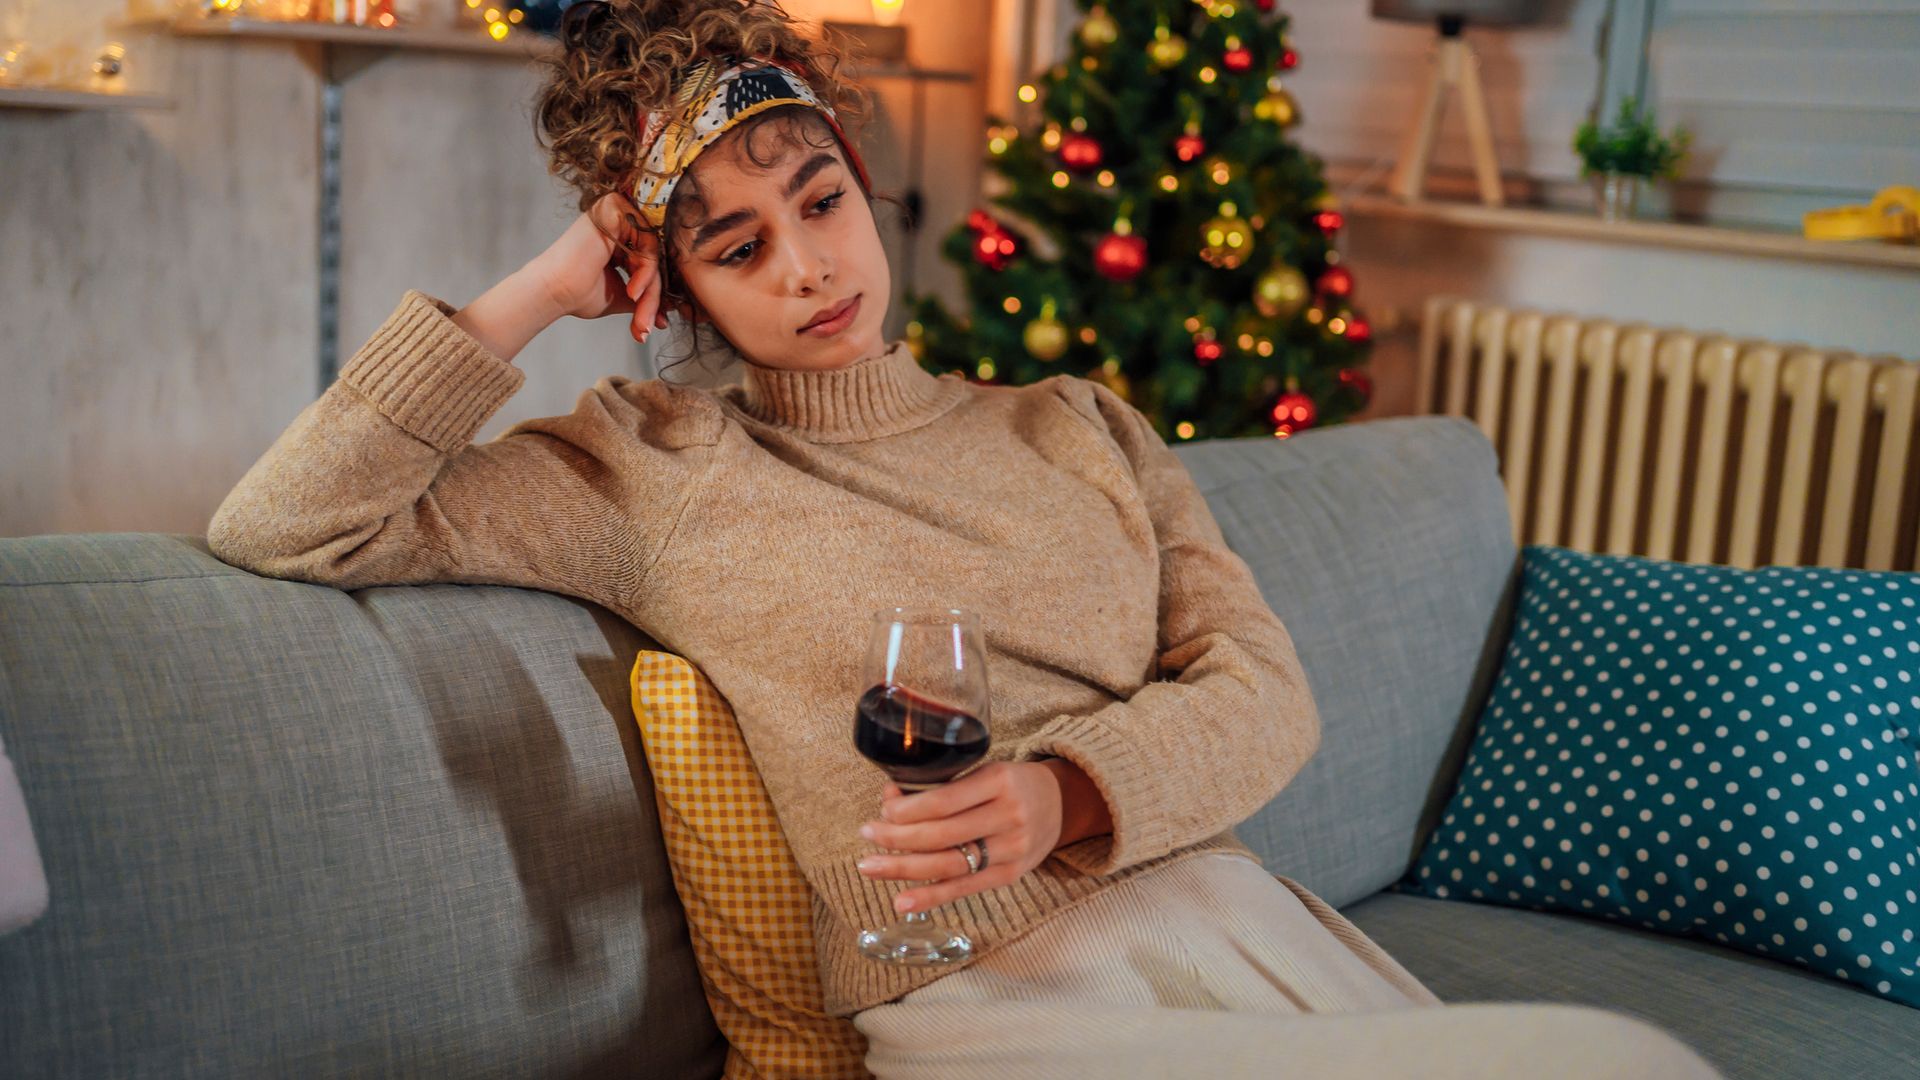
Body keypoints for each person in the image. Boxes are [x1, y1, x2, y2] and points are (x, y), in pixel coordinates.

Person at [205, 1, 1724, 1076]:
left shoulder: (1082, 424)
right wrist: (533, 293)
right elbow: (289, 522)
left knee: (1624, 1060)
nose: (808, 268)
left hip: (1235, 920)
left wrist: (1065, 795)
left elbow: (1269, 693)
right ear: (676, 288)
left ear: (865, 190)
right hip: (988, 998)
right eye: (737, 247)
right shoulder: (652, 463)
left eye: (820, 202)